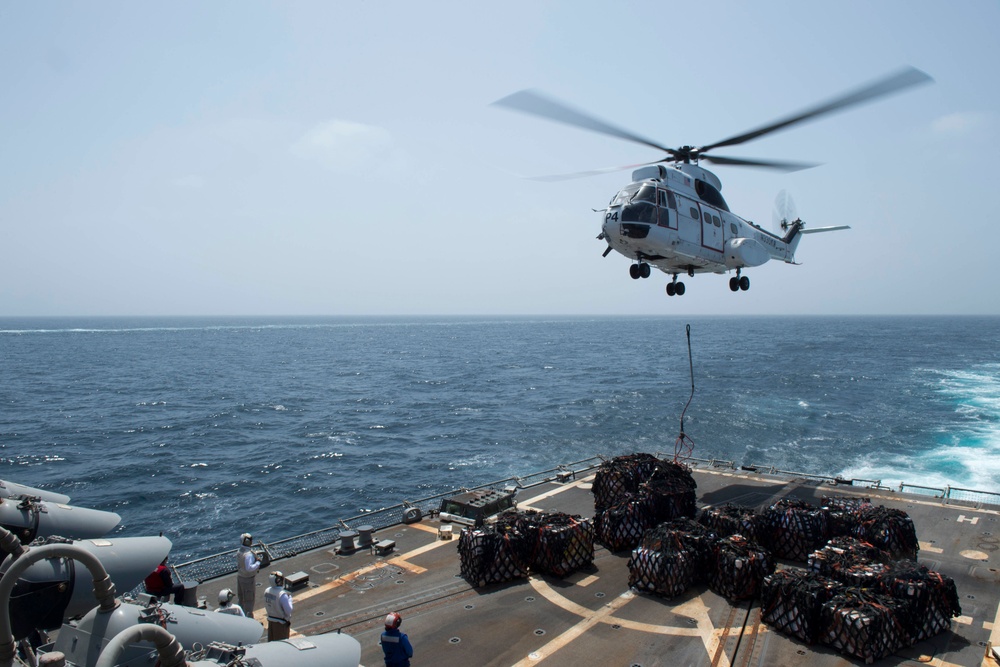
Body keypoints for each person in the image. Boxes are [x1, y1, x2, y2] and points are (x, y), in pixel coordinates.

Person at [236, 533, 262, 615]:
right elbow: (249, 568)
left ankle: (240, 614)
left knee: (241, 598)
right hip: (248, 579)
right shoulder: (248, 554)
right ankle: (248, 617)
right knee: (249, 600)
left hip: (240, 577)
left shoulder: (240, 551)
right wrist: (258, 562)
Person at [263, 571, 293, 641]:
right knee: (282, 645)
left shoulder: (267, 591)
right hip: (280, 624)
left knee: (272, 644)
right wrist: (290, 599)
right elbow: (289, 611)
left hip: (271, 622)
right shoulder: (282, 594)